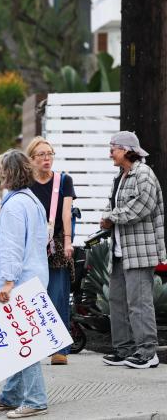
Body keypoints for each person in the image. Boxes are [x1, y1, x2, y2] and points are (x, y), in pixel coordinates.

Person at [0, 149, 49, 419]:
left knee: (24, 342)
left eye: (0, 171)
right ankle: (11, 395)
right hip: (33, 277)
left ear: (7, 174)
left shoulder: (14, 207)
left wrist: (8, 282)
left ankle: (35, 399)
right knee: (16, 340)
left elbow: (11, 247)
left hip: (16, 283)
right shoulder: (31, 201)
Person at [100, 131, 165, 369]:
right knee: (117, 301)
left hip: (139, 252)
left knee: (139, 303)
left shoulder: (144, 175)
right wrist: (108, 215)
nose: (110, 153)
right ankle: (124, 349)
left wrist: (109, 217)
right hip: (119, 251)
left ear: (127, 150)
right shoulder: (121, 176)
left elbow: (140, 207)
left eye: (113, 148)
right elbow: (112, 203)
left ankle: (148, 353)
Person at [25, 136, 76, 366]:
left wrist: (67, 241)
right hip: (32, 243)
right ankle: (34, 344)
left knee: (58, 295)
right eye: (41, 155)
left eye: (50, 153)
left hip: (55, 241)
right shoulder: (25, 183)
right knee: (32, 295)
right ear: (31, 159)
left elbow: (66, 213)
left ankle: (60, 349)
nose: (47, 158)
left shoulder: (63, 180)